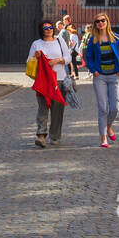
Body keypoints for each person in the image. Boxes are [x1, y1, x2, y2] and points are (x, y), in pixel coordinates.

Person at [83, 12, 119, 147]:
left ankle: (108, 126)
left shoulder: (116, 38)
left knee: (115, 108)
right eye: (97, 21)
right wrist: (93, 70)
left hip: (114, 76)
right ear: (95, 25)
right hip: (100, 77)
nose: (100, 23)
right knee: (103, 108)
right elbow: (88, 57)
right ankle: (103, 138)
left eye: (103, 20)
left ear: (107, 21)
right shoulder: (93, 40)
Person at [27, 20, 73, 148]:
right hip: (43, 81)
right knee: (43, 108)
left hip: (59, 80)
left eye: (50, 27)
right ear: (41, 30)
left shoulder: (60, 41)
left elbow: (68, 57)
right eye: (45, 27)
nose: (48, 29)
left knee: (57, 110)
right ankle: (41, 135)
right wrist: (36, 57)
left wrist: (58, 60)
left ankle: (55, 136)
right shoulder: (36, 44)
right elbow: (28, 61)